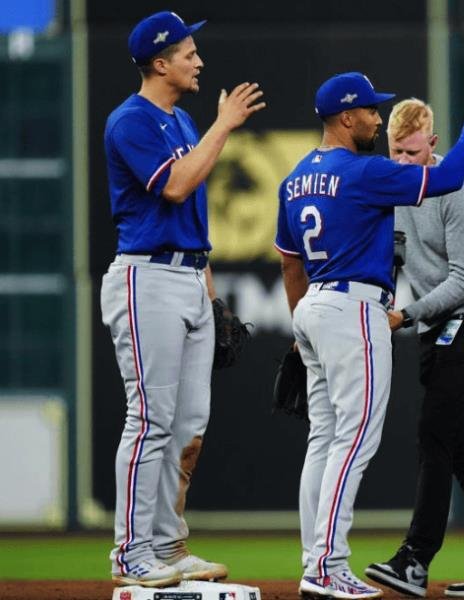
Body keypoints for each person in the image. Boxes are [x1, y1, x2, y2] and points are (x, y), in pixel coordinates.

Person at [276, 66, 464, 600]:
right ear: (346, 117)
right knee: (353, 441)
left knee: (324, 442)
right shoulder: (364, 171)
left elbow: (289, 263)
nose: (377, 117)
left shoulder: (295, 177)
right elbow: (446, 177)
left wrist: (302, 327)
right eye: (371, 110)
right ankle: (327, 567)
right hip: (353, 309)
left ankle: (314, 559)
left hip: (314, 306)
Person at [100, 11, 265, 588]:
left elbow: (191, 215)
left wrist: (212, 296)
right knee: (149, 420)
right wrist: (224, 125)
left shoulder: (185, 121)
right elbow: (174, 186)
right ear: (160, 61)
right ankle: (130, 552)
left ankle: (168, 546)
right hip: (146, 278)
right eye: (188, 53)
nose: (198, 61)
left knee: (189, 423)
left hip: (189, 276)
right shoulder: (131, 121)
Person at [361, 98, 464, 598]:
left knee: (433, 432)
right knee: (460, 446)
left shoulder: (459, 190)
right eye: (395, 152)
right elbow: (392, 259)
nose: (403, 162)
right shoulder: (391, 185)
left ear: (433, 144)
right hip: (439, 325)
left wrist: (405, 316)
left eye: (412, 152)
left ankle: (415, 559)